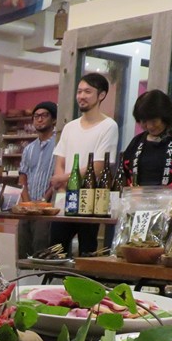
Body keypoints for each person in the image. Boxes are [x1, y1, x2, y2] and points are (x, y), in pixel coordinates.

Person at [50, 72, 119, 256]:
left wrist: (61, 178)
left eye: (88, 91)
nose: (81, 96)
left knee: (86, 253)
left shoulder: (108, 126)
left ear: (101, 95)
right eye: (79, 91)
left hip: (90, 199)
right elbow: (60, 159)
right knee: (54, 251)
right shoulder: (70, 126)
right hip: (65, 197)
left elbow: (98, 167)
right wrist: (61, 185)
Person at [120, 90, 172, 187]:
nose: (149, 126)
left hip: (170, 199)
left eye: (154, 121)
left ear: (165, 117)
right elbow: (124, 173)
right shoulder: (136, 142)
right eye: (144, 121)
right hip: (137, 198)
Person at [17, 100, 57, 258]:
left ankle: (40, 282)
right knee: (22, 248)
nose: (39, 119)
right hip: (27, 209)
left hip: (47, 209)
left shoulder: (59, 145)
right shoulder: (28, 149)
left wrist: (42, 201)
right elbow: (23, 178)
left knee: (41, 248)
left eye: (44, 115)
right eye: (36, 116)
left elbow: (57, 178)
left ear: (53, 119)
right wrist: (28, 203)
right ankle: (24, 282)